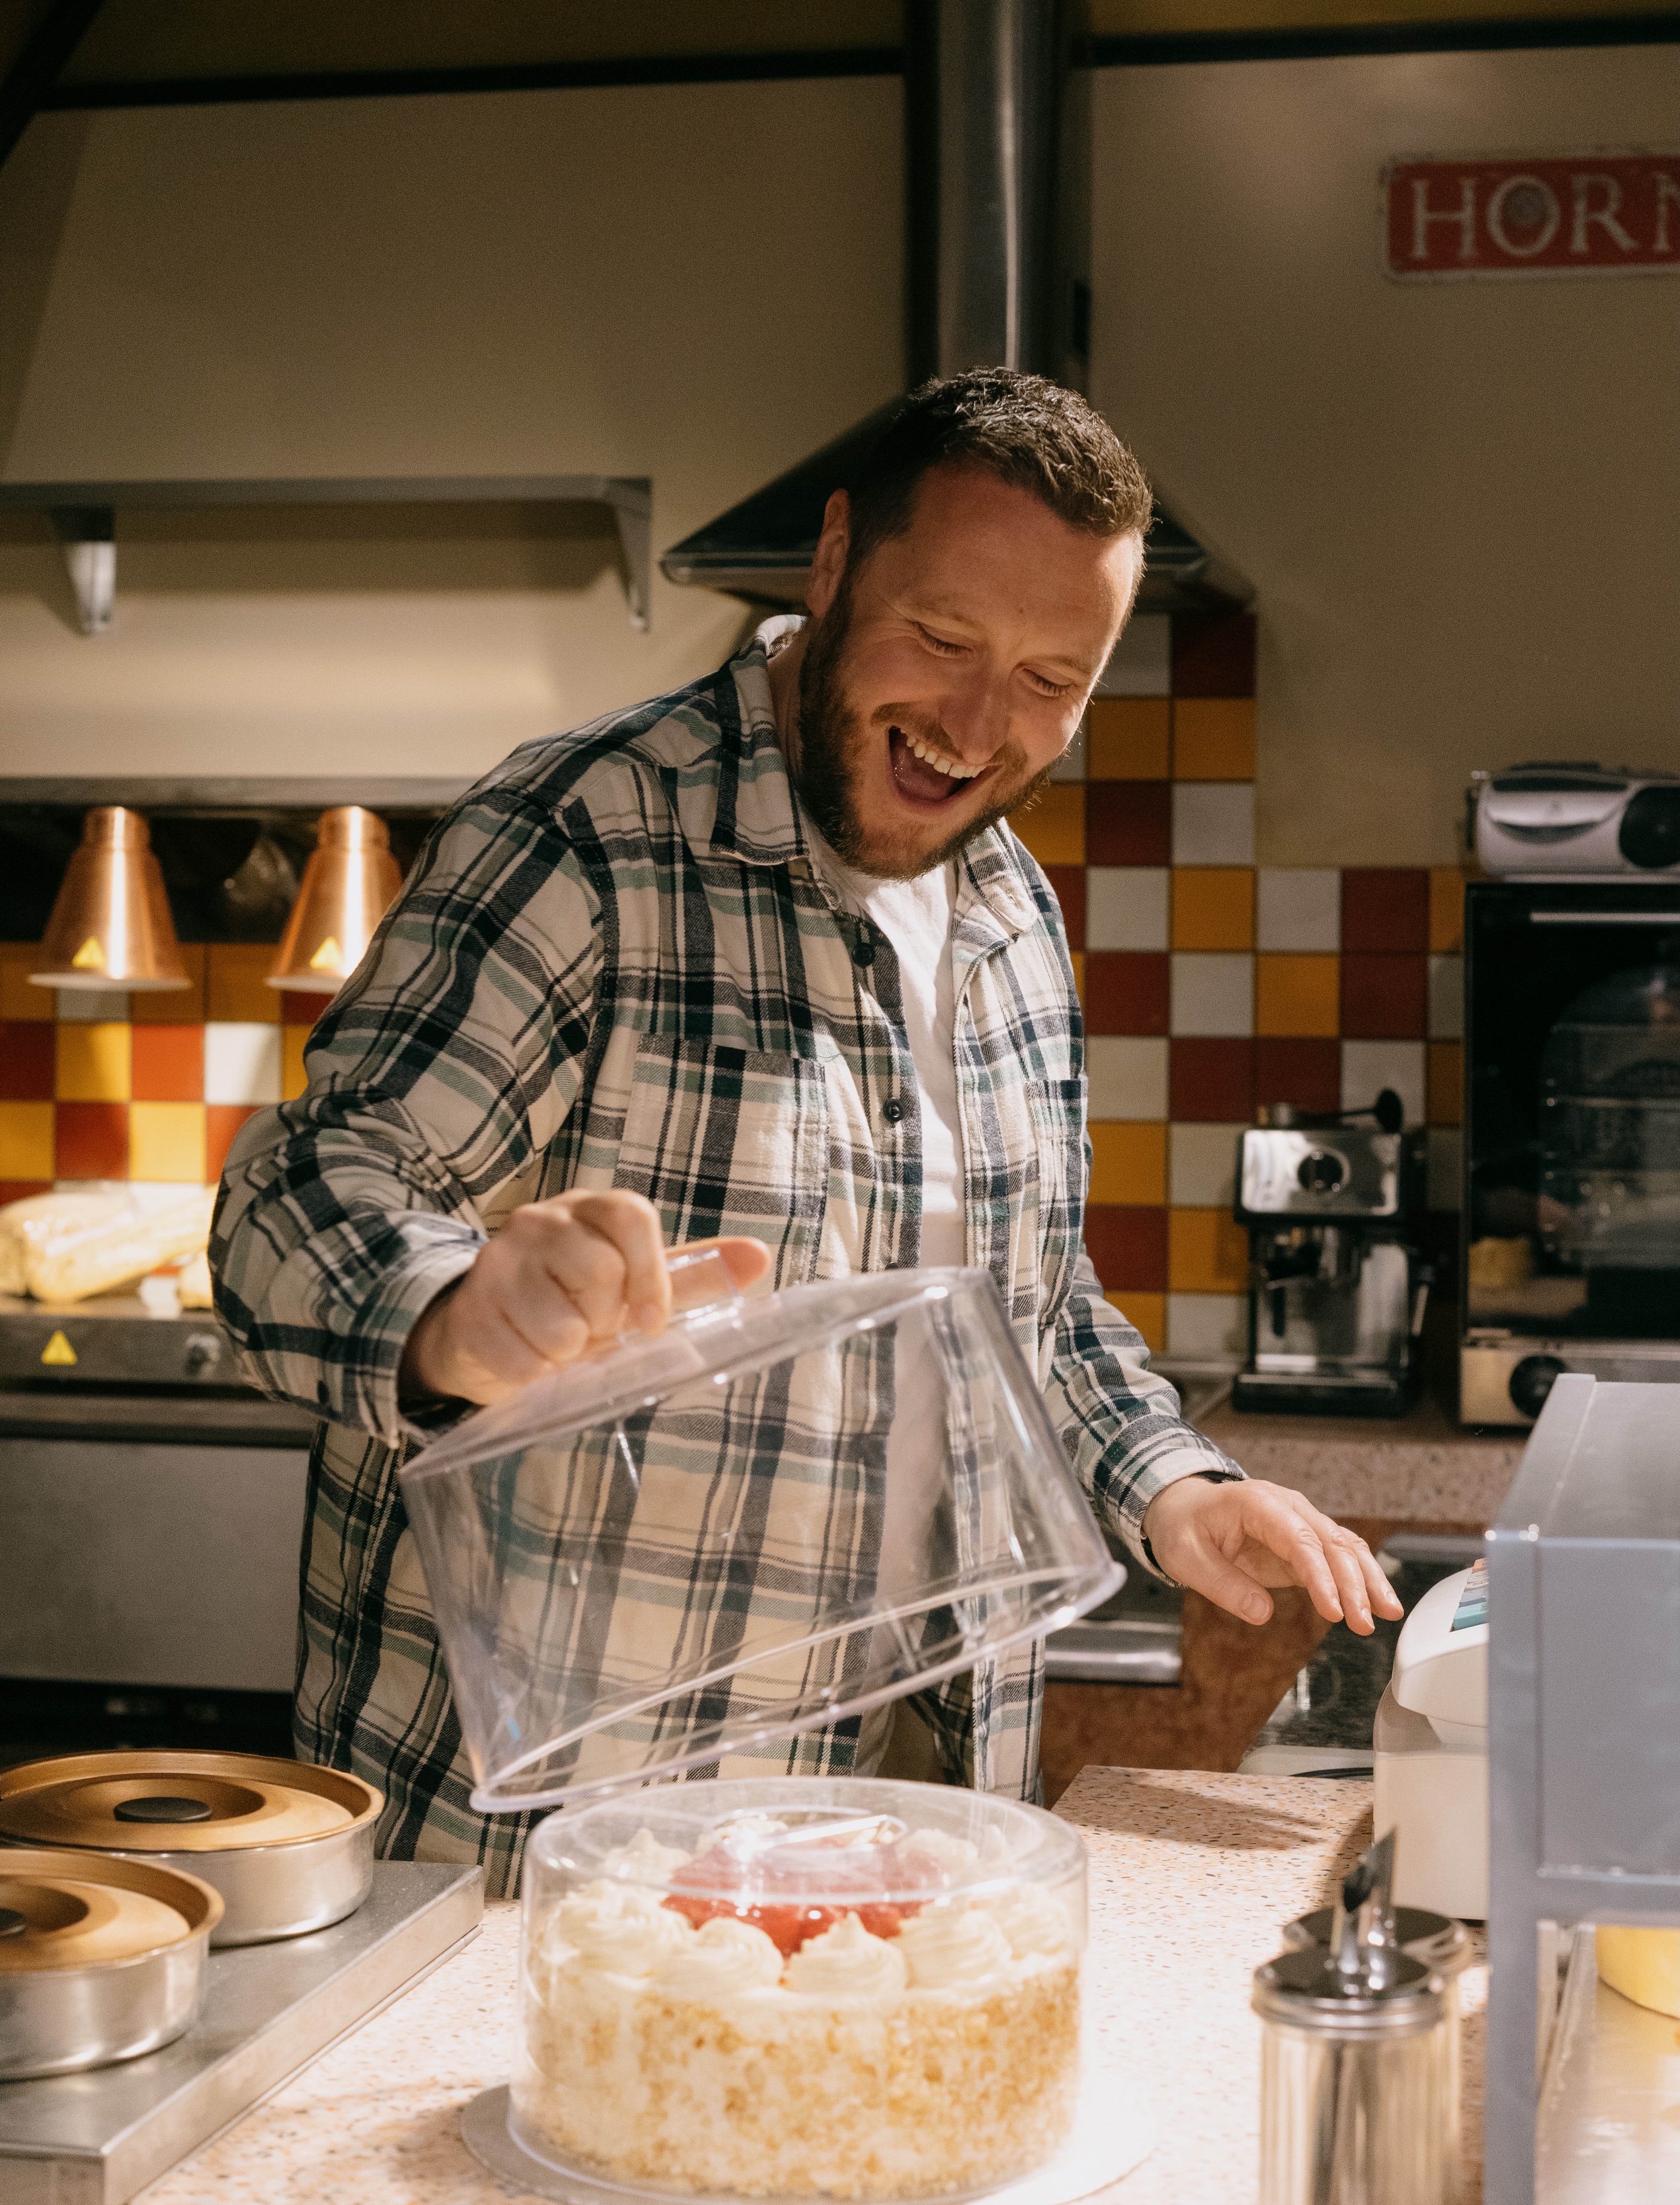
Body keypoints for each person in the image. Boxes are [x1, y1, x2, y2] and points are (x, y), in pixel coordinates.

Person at [213, 370, 1399, 1892]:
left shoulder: (1007, 910)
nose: (978, 727)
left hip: (881, 1833)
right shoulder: (592, 835)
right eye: (945, 639)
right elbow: (291, 1199)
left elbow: (1018, 1305)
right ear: (833, 561)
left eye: (1050, 679)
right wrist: (452, 1311)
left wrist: (1170, 1482)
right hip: (551, 1862)